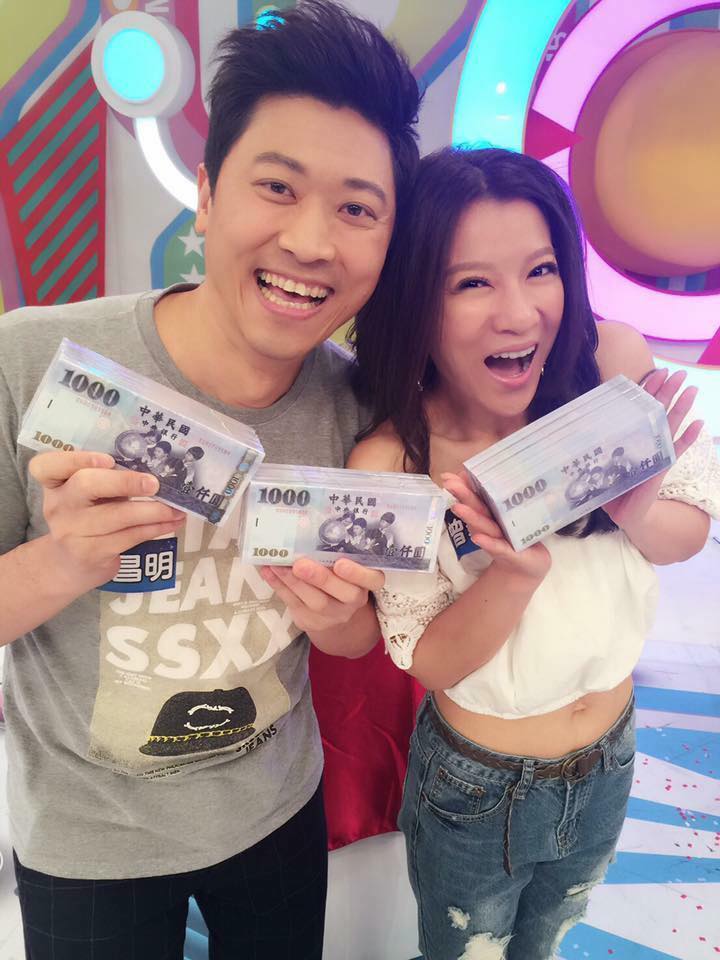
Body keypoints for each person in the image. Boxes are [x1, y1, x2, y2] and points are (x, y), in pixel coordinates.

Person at [0, 3, 419, 957]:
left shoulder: (360, 409)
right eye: (277, 187)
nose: (312, 241)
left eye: (358, 209)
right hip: (88, 838)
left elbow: (359, 634)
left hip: (276, 811)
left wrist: (336, 620)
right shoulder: (31, 361)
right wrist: (65, 560)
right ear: (206, 193)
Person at [349, 147, 720, 960]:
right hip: (477, 789)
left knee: (547, 943)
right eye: (471, 283)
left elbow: (687, 533)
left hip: (610, 755)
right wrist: (512, 577)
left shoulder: (611, 367)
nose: (518, 315)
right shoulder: (396, 461)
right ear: (417, 299)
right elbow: (427, 658)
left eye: (540, 270)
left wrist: (637, 509)